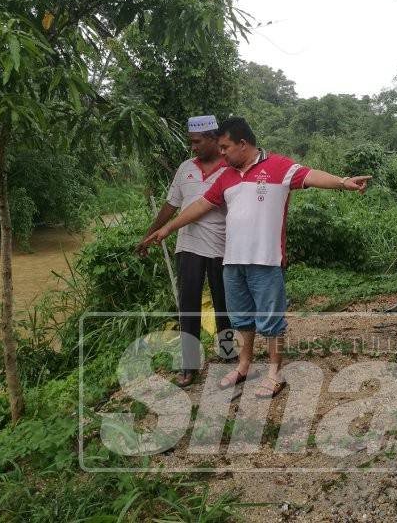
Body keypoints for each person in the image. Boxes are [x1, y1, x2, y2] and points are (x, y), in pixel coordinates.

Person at [147, 117, 371, 398]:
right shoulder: (226, 176)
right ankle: (243, 365)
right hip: (232, 262)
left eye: (226, 147)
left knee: (271, 320)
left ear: (243, 143)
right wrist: (167, 228)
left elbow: (312, 175)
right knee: (241, 319)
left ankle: (275, 372)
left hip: (265, 261)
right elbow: (200, 206)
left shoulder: (279, 167)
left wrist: (343, 182)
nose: (223, 153)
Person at [136, 115, 231, 387]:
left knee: (223, 303)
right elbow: (170, 205)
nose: (193, 147)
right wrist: (150, 234)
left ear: (214, 139)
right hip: (188, 246)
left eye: (197, 142)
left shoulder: (231, 168)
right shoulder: (185, 168)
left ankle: (227, 354)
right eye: (191, 142)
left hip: (222, 247)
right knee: (188, 306)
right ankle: (189, 366)